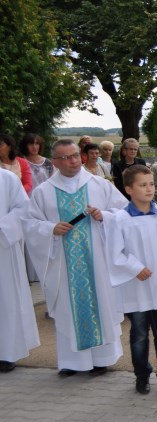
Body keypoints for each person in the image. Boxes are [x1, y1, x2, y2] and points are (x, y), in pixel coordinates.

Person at [22, 139, 127, 376]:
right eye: (66, 157)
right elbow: (29, 224)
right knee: (69, 309)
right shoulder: (43, 191)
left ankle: (103, 359)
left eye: (75, 156)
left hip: (97, 261)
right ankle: (73, 363)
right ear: (55, 162)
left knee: (100, 302)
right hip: (63, 264)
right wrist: (50, 229)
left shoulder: (99, 185)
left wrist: (104, 217)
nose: (73, 161)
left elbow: (123, 212)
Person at [106, 164, 157, 396]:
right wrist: (135, 267)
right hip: (137, 284)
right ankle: (142, 376)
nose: (149, 189)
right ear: (129, 189)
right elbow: (115, 252)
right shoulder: (120, 219)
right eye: (143, 185)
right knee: (139, 333)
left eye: (151, 184)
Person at [0, 168, 39, 372]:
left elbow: (22, 209)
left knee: (6, 300)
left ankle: (6, 353)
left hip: (2, 248)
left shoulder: (7, 179)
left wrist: (1, 227)